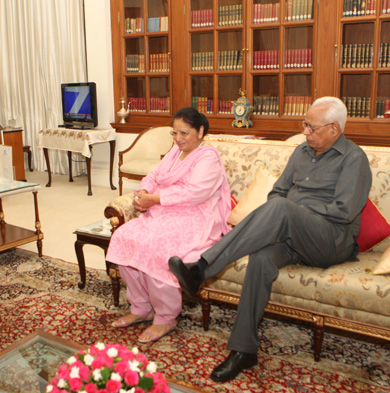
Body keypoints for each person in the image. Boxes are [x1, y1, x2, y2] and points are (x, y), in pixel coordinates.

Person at [169, 97, 371, 382]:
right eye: (304, 125)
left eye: (312, 127)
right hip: (293, 236)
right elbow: (277, 192)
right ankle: (243, 350)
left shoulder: (354, 158)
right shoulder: (301, 152)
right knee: (261, 258)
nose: (305, 132)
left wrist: (294, 212)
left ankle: (201, 269)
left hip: (330, 239)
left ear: (334, 129)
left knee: (282, 209)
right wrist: (288, 215)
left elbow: (345, 211)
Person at [106, 107, 232, 343]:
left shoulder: (208, 157)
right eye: (174, 133)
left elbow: (195, 193)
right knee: (124, 236)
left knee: (158, 247)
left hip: (195, 216)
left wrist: (153, 199)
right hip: (165, 212)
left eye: (184, 133)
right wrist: (144, 192)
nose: (178, 139)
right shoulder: (176, 151)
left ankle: (165, 317)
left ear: (201, 131)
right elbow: (153, 175)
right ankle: (141, 306)